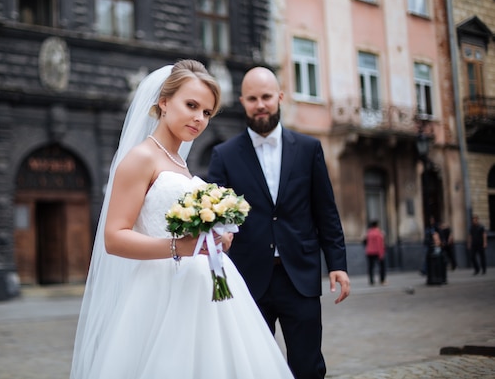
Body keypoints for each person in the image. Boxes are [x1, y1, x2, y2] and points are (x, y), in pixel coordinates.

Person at [70, 60, 293, 379]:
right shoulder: (141, 158)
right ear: (163, 102)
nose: (199, 118)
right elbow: (114, 237)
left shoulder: (179, 164)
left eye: (206, 112)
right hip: (161, 292)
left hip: (207, 289)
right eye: (191, 105)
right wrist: (178, 247)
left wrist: (216, 235)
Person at [207, 66, 350, 379]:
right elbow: (213, 217)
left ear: (280, 97)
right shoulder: (223, 155)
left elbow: (325, 210)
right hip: (248, 279)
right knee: (253, 366)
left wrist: (337, 263)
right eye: (253, 98)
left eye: (267, 97)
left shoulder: (309, 149)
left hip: (300, 275)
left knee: (308, 364)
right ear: (242, 101)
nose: (261, 104)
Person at [365, 220, 386, 286]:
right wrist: (381, 253)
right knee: (382, 266)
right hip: (377, 252)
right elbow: (380, 244)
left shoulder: (368, 233)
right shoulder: (379, 233)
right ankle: (382, 280)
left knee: (371, 267)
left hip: (369, 252)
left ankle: (371, 281)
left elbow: (365, 242)